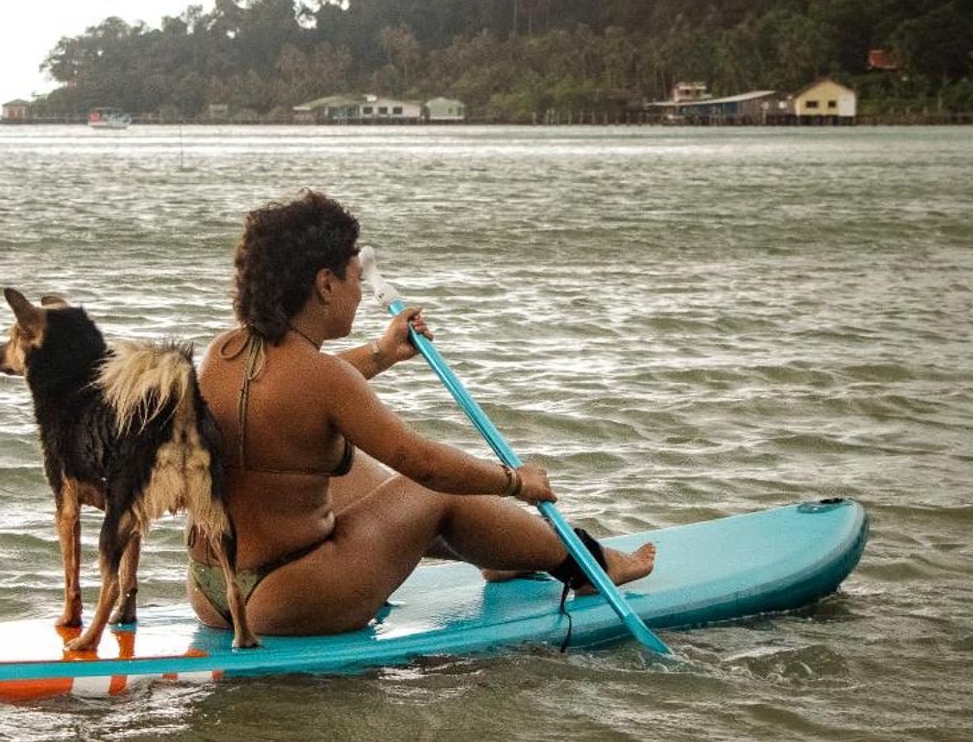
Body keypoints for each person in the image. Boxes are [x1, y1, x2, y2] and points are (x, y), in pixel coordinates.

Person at [187, 191, 655, 636]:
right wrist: (515, 481)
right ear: (325, 284)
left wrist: (382, 353)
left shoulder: (221, 354)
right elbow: (424, 465)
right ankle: (585, 564)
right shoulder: (325, 379)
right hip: (291, 597)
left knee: (358, 473)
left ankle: (500, 554)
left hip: (210, 593)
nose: (355, 291)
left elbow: (296, 395)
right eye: (351, 277)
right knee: (429, 492)